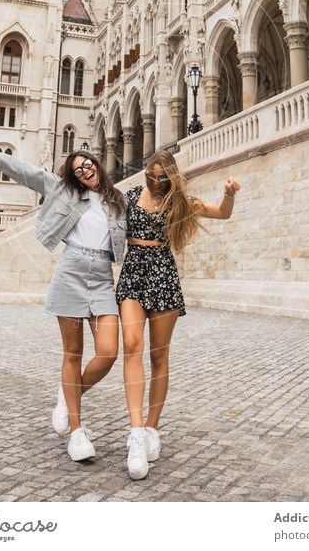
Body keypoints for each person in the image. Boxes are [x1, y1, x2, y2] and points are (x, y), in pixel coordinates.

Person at [0, 143, 126, 462]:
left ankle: (68, 393)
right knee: (73, 353)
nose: (86, 170)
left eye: (89, 165)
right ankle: (77, 432)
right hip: (71, 270)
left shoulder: (117, 201)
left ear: (97, 165)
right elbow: (26, 173)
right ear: (73, 176)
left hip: (102, 276)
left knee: (108, 352)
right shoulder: (61, 191)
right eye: (79, 169)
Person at [116, 148, 240, 480]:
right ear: (145, 172)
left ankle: (153, 427)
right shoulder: (128, 198)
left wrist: (228, 194)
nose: (156, 182)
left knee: (159, 355)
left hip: (163, 274)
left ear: (170, 176)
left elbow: (222, 213)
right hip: (133, 272)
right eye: (151, 175)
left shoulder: (180, 203)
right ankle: (136, 432)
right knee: (131, 344)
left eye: (162, 177)